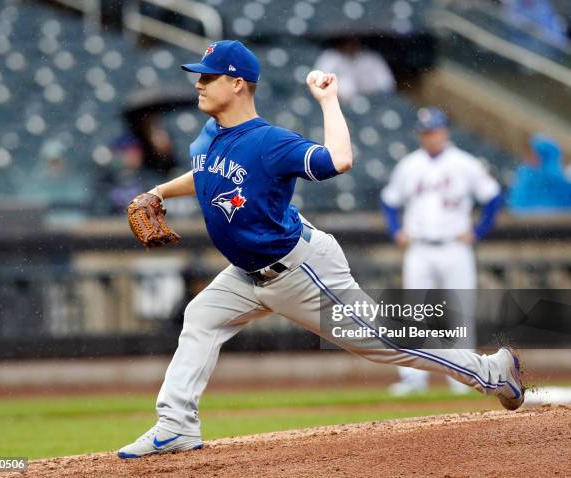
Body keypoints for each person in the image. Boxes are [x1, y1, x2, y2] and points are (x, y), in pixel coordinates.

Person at [118, 41, 523, 459]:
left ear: (237, 83)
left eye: (208, 76)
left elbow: (339, 159)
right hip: (245, 272)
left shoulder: (270, 142)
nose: (198, 84)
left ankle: (490, 372)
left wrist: (328, 100)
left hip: (299, 269)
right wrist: (160, 191)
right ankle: (176, 424)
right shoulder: (209, 136)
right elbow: (202, 172)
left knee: (384, 343)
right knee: (201, 316)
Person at [381, 107, 504, 396]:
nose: (430, 137)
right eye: (425, 132)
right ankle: (413, 378)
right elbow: (389, 201)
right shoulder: (409, 165)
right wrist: (395, 230)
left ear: (445, 131)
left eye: (434, 131)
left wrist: (478, 231)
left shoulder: (465, 163)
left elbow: (493, 196)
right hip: (420, 248)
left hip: (454, 247)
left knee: (461, 312)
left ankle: (464, 377)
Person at [314, 37, 396, 102]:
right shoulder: (330, 57)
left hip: (372, 103)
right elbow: (319, 83)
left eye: (353, 41)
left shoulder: (370, 57)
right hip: (337, 103)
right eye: (346, 42)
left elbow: (387, 84)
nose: (350, 45)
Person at [508, 134, 571, 212]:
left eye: (535, 155)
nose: (530, 158)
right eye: (529, 154)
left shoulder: (559, 181)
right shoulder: (524, 177)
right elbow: (515, 205)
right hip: (521, 222)